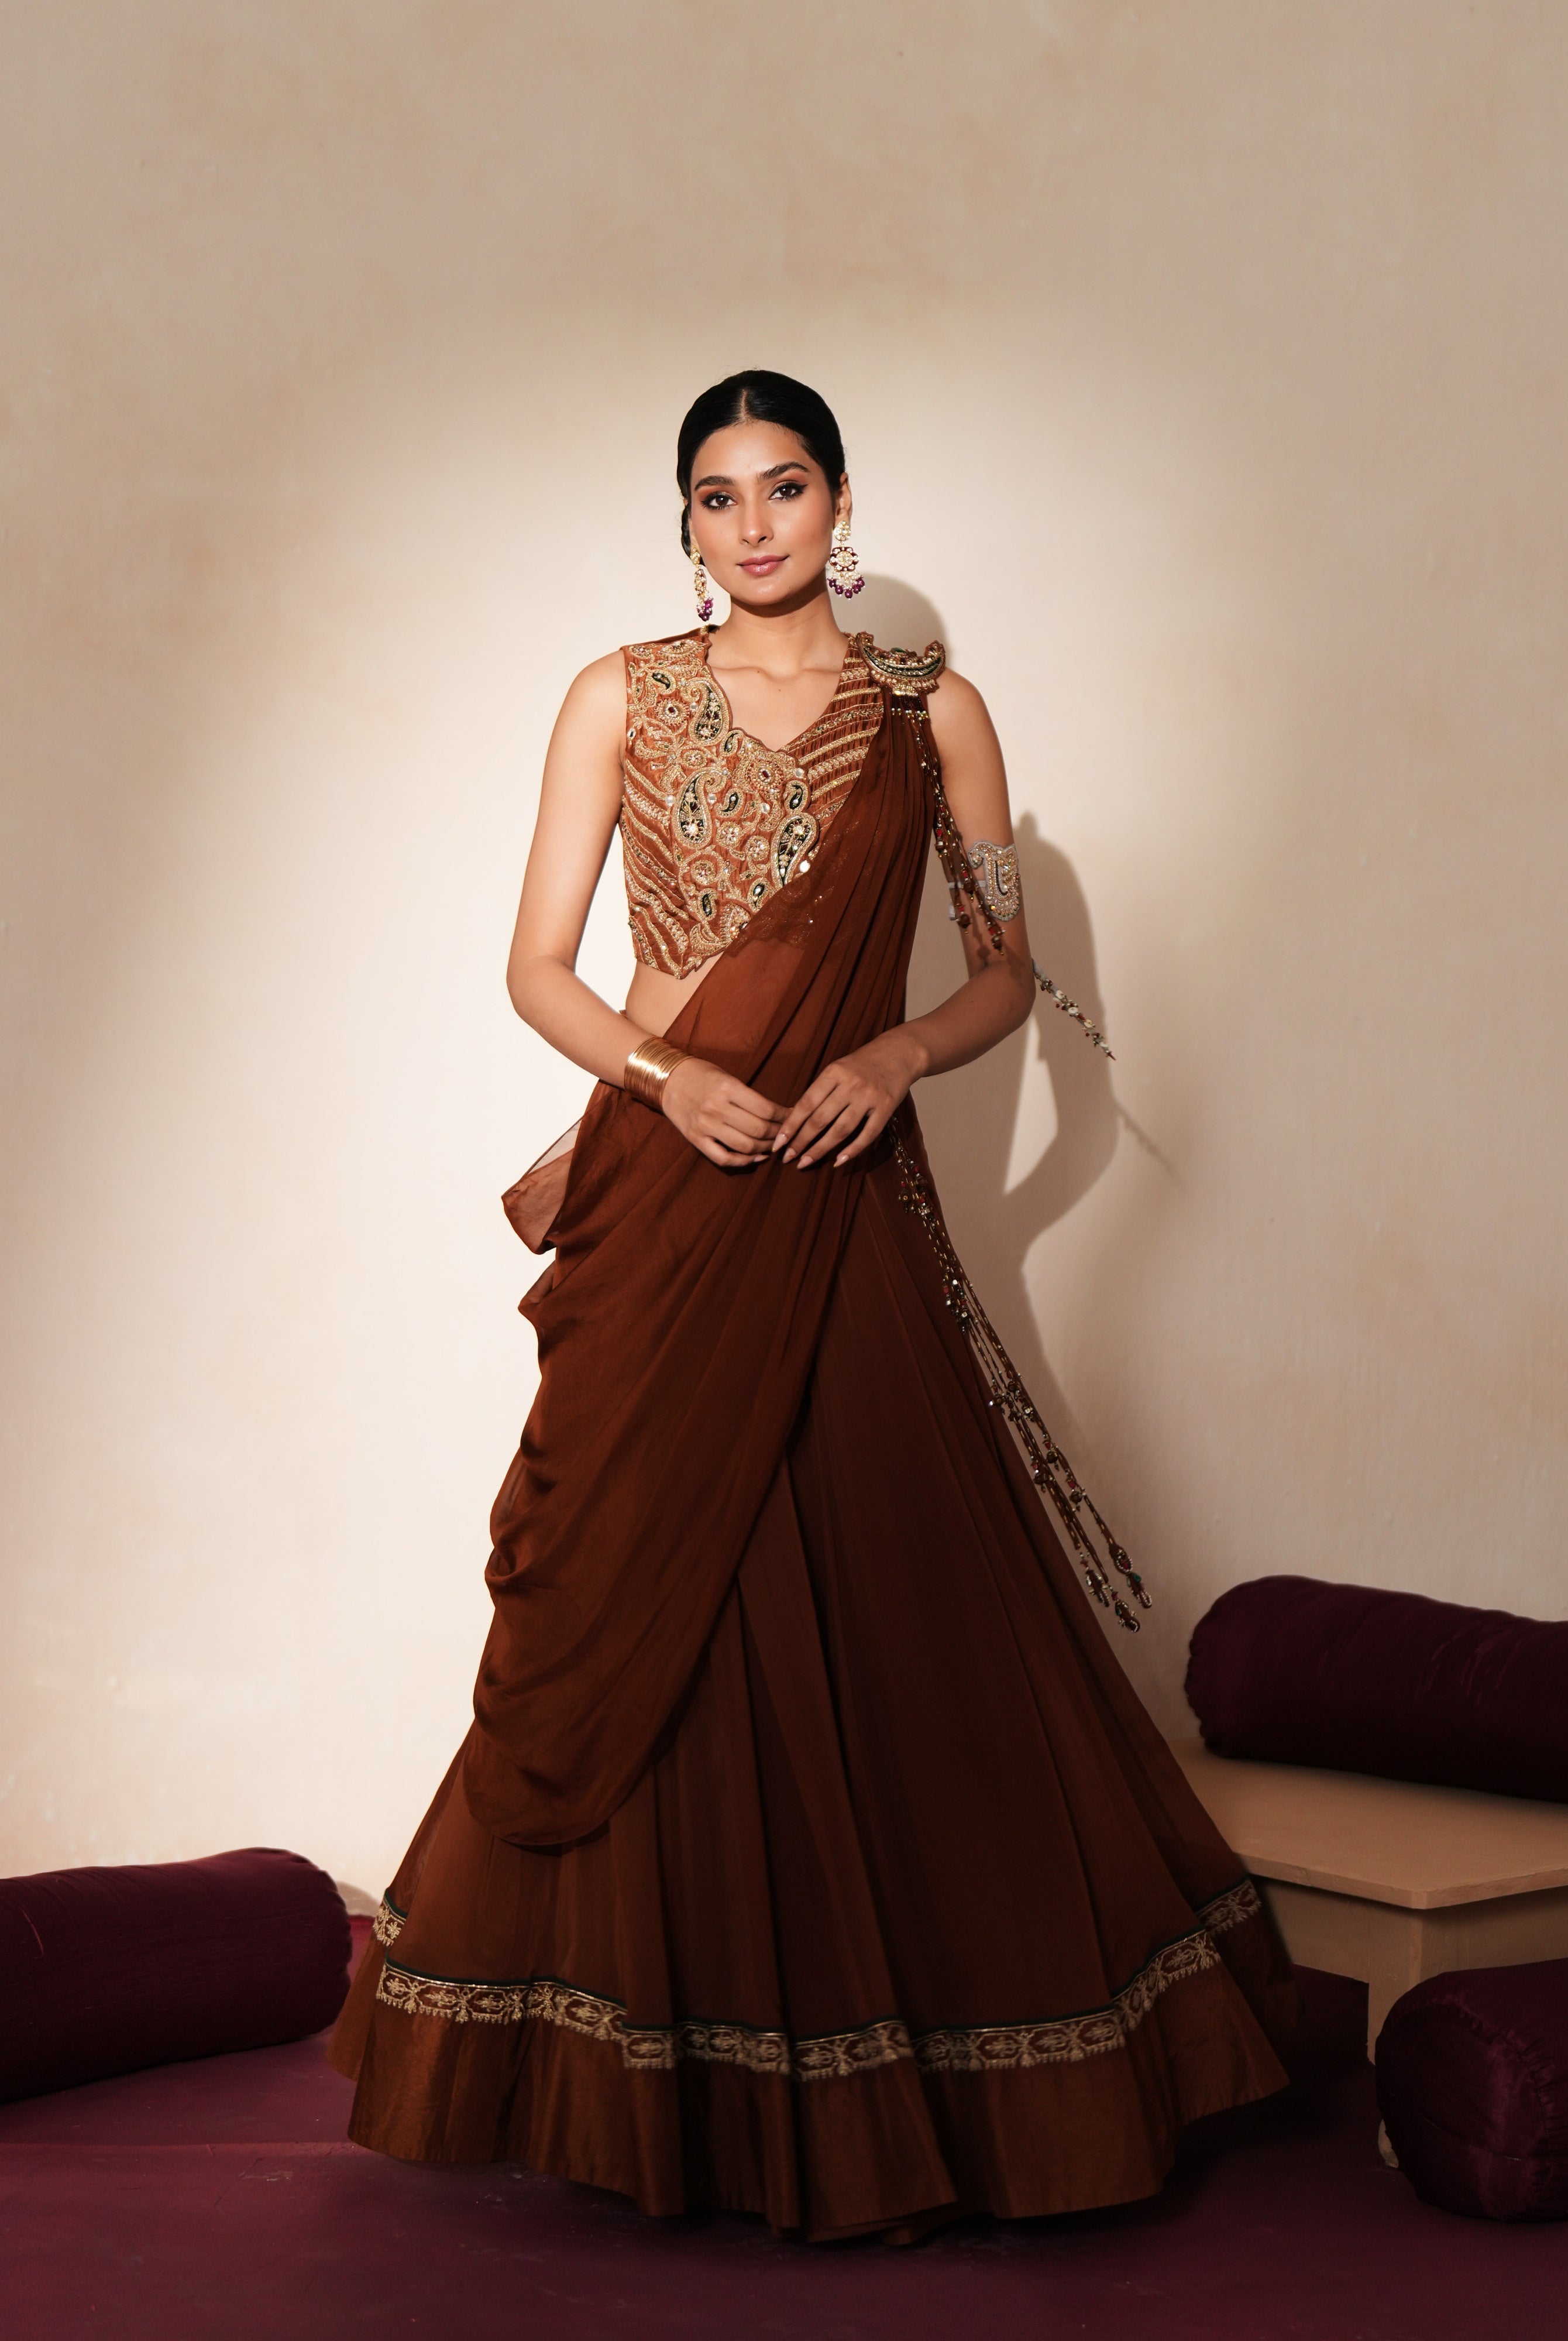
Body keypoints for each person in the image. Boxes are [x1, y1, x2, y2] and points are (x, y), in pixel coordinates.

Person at [329, 369, 1295, 2243]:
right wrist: (657, 1073)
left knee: (878, 1584)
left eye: (785, 486)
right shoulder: (617, 696)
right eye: (716, 493)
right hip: (671, 1195)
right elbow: (536, 966)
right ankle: (646, 2078)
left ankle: (916, 2064)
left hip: (845, 1195)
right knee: (638, 1588)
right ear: (681, 523)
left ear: (840, 504)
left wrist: (898, 1054)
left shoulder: (935, 714)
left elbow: (1006, 975)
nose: (753, 521)